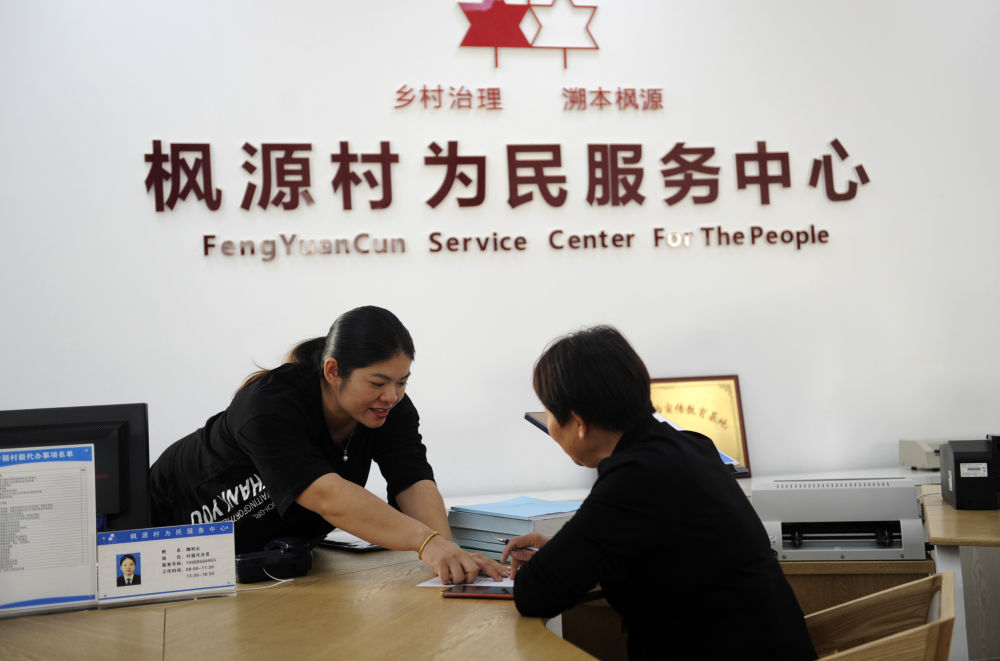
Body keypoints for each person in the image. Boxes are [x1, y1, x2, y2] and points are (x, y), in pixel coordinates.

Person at [501, 326, 816, 660]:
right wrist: (567, 554)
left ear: (579, 423)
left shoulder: (633, 477)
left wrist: (560, 560)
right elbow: (661, 557)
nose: (549, 425)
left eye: (550, 413)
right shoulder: (690, 447)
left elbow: (534, 593)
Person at [150, 305, 503, 585]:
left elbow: (412, 479)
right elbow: (325, 495)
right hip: (168, 543)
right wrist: (425, 542)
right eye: (377, 383)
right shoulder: (268, 404)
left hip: (267, 566)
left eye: (402, 382)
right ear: (333, 371)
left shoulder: (389, 409)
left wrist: (448, 549)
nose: (391, 396)